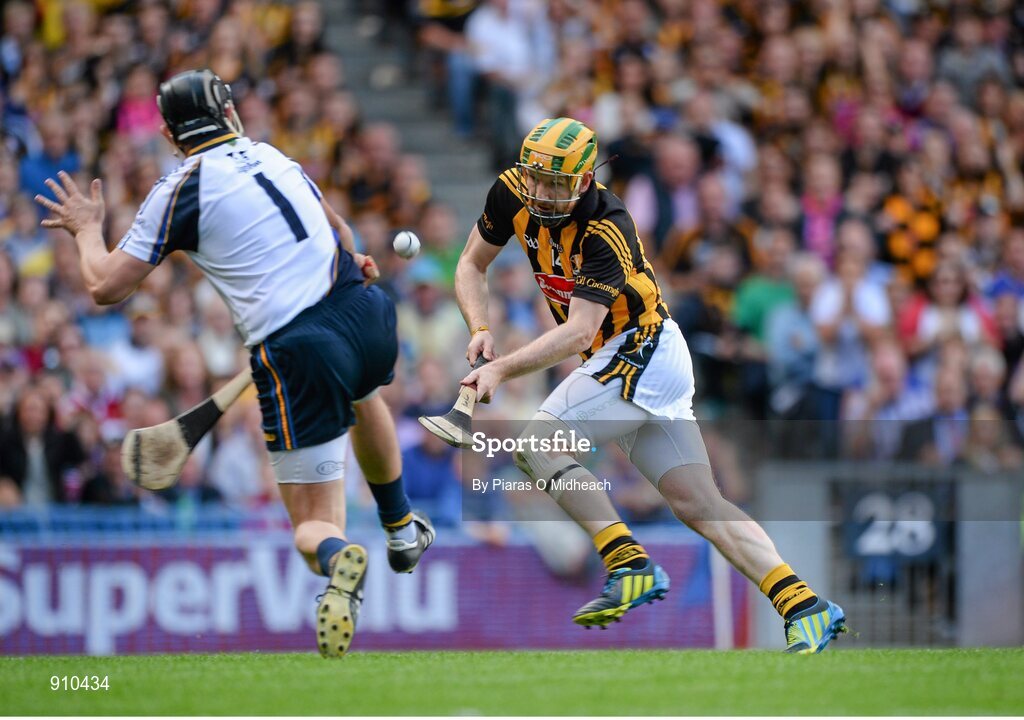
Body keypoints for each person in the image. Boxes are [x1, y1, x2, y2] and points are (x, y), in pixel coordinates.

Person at [33, 69, 434, 659]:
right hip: (367, 311)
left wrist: (88, 231)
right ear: (229, 114)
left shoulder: (179, 189)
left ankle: (336, 557)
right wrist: (353, 260)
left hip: (296, 349)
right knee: (363, 392)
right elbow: (342, 232)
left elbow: (104, 287)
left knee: (311, 522)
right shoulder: (273, 154)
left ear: (172, 137)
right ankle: (401, 530)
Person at [454, 117, 846, 653]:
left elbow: (579, 332)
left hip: (640, 348)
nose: (544, 195)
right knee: (699, 504)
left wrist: (500, 368)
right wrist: (480, 327)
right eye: (537, 180)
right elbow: (470, 265)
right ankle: (806, 605)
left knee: (538, 446)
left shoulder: (606, 227)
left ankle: (627, 563)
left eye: (559, 185)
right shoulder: (512, 191)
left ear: (586, 181)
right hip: (637, 356)